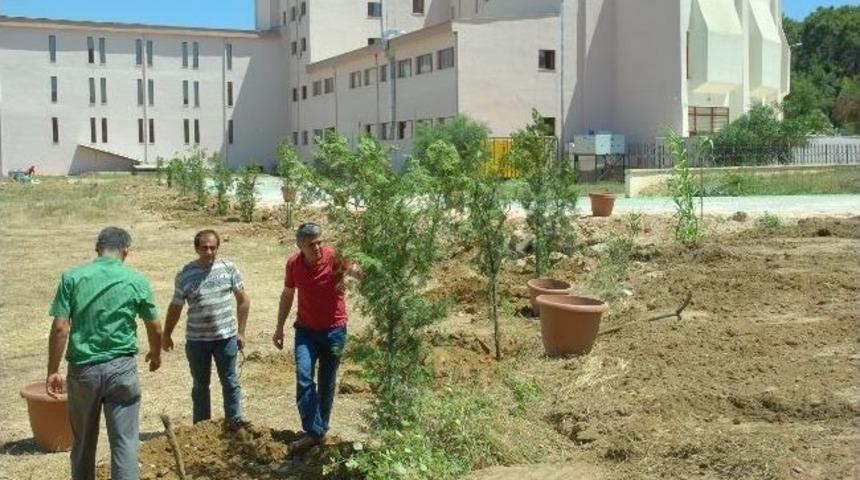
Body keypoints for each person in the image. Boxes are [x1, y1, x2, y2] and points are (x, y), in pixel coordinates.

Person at [46, 227, 162, 480]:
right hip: (121, 370)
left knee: (83, 441)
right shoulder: (135, 280)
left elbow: (60, 327)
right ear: (126, 251)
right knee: (124, 442)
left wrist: (53, 370)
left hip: (83, 371)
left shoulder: (72, 278)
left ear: (97, 248)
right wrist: (155, 354)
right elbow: (154, 325)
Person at [272, 222, 353, 452]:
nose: (318, 247)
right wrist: (279, 328)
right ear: (300, 246)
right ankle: (314, 430)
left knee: (327, 381)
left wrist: (366, 272)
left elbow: (356, 270)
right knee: (304, 377)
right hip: (305, 331)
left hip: (335, 331)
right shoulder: (294, 264)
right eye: (311, 244)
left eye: (320, 242)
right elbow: (287, 295)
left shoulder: (334, 257)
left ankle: (318, 431)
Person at [163, 229, 250, 426]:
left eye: (213, 248)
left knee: (230, 382)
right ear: (197, 249)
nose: (209, 252)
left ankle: (235, 423)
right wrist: (166, 334)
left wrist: (242, 332)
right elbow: (176, 306)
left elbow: (243, 300)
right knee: (200, 386)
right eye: (204, 248)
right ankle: (201, 428)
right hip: (197, 341)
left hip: (226, 339)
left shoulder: (229, 269)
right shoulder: (185, 275)